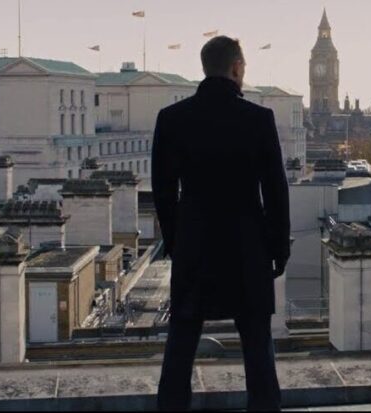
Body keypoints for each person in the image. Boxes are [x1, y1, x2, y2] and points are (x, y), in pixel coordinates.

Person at [151, 36, 290, 411]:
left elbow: (162, 194)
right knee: (258, 348)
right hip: (248, 248)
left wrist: (178, 243)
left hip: (195, 247)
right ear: (237, 68)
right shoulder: (259, 119)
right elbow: (275, 191)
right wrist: (279, 249)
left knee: (180, 344)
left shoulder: (172, 119)